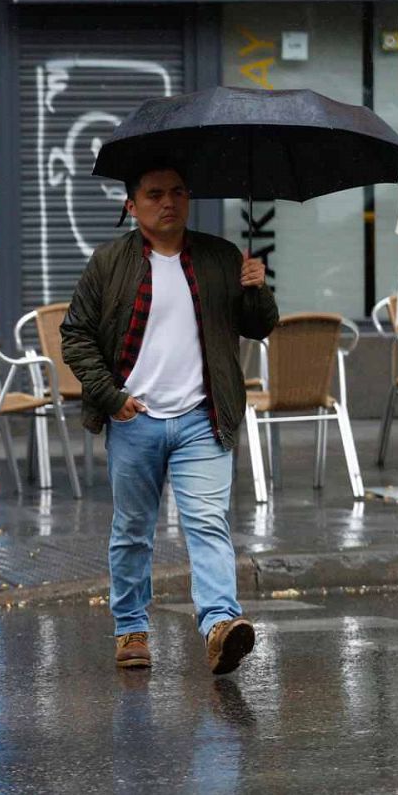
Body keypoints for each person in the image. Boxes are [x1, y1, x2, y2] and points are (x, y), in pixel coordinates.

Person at [61, 165, 278, 674]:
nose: (169, 203)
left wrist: (256, 288)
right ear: (131, 207)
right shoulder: (110, 263)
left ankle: (221, 625)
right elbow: (76, 335)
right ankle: (131, 627)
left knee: (207, 523)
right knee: (134, 528)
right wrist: (111, 398)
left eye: (179, 192)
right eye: (155, 194)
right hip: (135, 418)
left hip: (204, 416)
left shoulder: (221, 257)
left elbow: (258, 326)